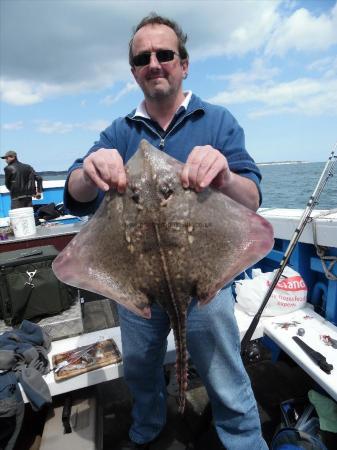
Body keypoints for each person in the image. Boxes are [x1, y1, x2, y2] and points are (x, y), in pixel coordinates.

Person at [64, 13, 267, 450]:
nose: (154, 62)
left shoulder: (217, 121)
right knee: (138, 366)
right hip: (139, 284)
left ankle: (244, 440)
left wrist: (225, 177)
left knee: (224, 372)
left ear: (184, 63)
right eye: (143, 57)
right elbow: (76, 194)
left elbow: (251, 201)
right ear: (135, 70)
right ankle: (147, 430)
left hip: (205, 280)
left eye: (165, 54)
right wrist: (87, 170)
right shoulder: (120, 131)